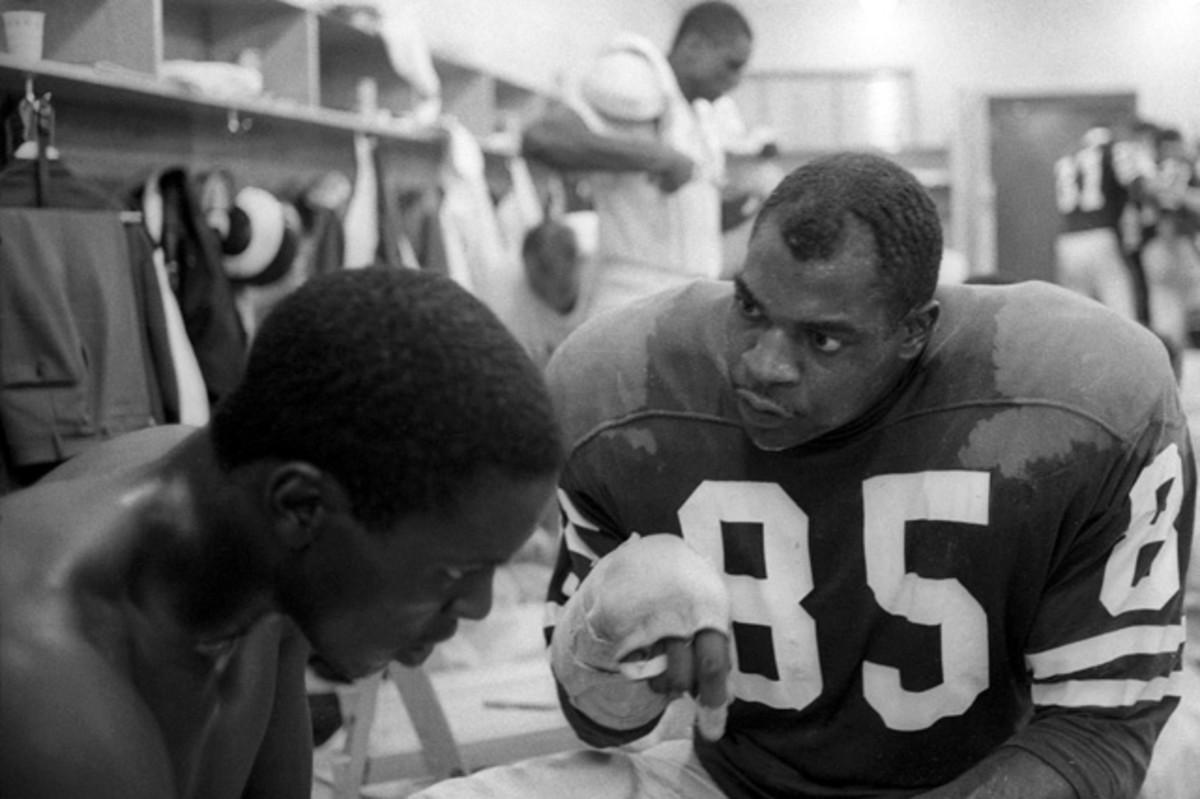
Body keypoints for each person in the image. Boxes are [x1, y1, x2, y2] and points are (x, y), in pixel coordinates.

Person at [415, 152, 1196, 798]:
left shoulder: (1080, 402)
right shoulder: (623, 390)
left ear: (914, 332)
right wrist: (610, 638)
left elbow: (1097, 733)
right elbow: (601, 725)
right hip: (729, 779)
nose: (763, 366)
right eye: (750, 309)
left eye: (823, 340)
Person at [0, 267, 563, 798]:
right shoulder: (49, 699)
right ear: (301, 506)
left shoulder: (255, 551)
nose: (480, 608)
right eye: (455, 572)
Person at [521, 1, 756, 318]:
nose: (735, 79)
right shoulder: (635, 79)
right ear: (694, 47)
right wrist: (655, 156)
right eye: (731, 64)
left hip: (689, 298)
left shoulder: (699, 115)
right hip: (635, 298)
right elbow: (542, 138)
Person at [1053, 122, 1154, 323]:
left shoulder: (1068, 159)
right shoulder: (1115, 151)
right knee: (1120, 311)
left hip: (1067, 240)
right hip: (1100, 234)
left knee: (1077, 314)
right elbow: (1139, 186)